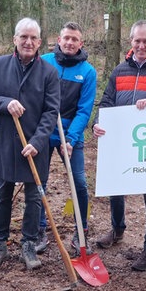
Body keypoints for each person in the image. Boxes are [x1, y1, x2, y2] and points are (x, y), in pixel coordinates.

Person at [93, 20, 146, 271]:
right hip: (120, 140)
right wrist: (98, 123)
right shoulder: (119, 71)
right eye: (137, 40)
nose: (141, 45)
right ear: (130, 41)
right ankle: (118, 229)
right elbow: (106, 102)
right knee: (116, 187)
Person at [0, 17, 60, 271]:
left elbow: (51, 111)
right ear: (15, 39)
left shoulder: (49, 72)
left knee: (34, 198)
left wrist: (37, 142)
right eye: (23, 36)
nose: (28, 41)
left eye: (33, 38)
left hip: (35, 146)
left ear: (40, 42)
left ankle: (28, 244)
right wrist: (5, 103)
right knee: (3, 195)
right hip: (6, 144)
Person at [35, 22, 97, 257]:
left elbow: (85, 109)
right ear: (59, 40)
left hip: (71, 135)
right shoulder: (44, 62)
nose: (70, 42)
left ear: (81, 44)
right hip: (43, 131)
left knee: (80, 183)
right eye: (66, 38)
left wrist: (70, 139)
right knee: (39, 181)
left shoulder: (88, 71)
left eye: (75, 39)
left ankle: (81, 232)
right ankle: (39, 229)